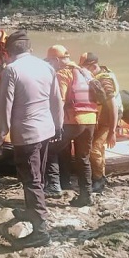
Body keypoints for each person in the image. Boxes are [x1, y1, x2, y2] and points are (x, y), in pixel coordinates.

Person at [0, 31, 63, 248]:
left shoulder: (11, 70)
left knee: (31, 180)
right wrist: (58, 126)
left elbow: (4, 107)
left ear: (8, 52)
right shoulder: (46, 67)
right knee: (36, 176)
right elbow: (56, 101)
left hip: (27, 134)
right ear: (29, 49)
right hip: (46, 130)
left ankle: (40, 231)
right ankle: (31, 211)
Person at [44, 44, 95, 207]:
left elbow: (60, 100)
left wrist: (56, 125)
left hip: (73, 120)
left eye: (50, 61)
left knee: (50, 149)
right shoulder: (85, 72)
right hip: (91, 119)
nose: (50, 64)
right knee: (83, 158)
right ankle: (86, 195)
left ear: (56, 60)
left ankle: (53, 186)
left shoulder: (62, 73)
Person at [79, 52, 121, 194]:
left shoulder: (104, 81)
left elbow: (113, 106)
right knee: (99, 149)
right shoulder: (99, 74)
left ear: (92, 66)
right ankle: (100, 175)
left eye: (85, 68)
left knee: (94, 149)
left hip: (108, 120)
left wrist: (112, 131)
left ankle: (98, 179)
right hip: (101, 118)